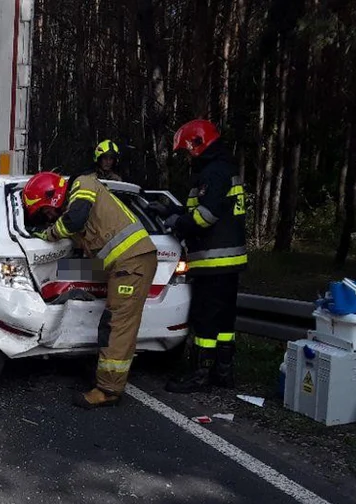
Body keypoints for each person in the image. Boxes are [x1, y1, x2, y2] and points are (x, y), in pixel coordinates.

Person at [23, 170, 158, 408]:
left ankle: (108, 389)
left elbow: (73, 220)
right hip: (119, 265)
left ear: (52, 197)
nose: (50, 217)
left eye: (46, 211)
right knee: (113, 323)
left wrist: (48, 234)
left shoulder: (83, 185)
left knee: (117, 325)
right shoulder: (80, 206)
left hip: (131, 263)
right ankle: (104, 376)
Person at [164, 119, 248, 393]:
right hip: (229, 261)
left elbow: (205, 216)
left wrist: (177, 222)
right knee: (224, 322)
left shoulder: (211, 173)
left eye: (187, 150)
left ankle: (199, 376)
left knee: (205, 321)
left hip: (212, 260)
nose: (187, 156)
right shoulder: (226, 169)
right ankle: (223, 374)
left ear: (197, 144)